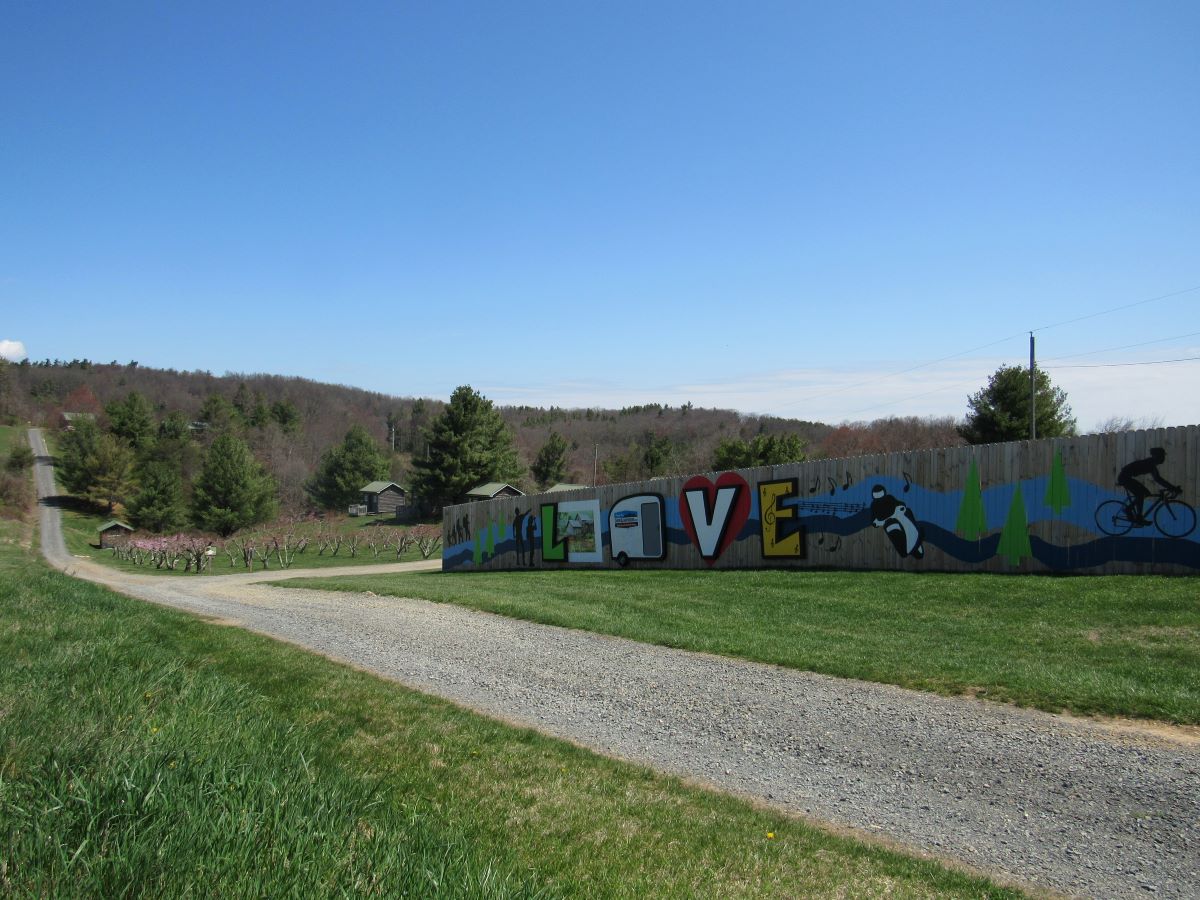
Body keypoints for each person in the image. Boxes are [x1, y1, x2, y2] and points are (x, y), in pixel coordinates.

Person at [1117, 448, 1180, 525]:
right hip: (1124, 478)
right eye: (1162, 456)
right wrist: (1173, 488)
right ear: (1156, 456)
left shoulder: (1151, 463)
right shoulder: (1150, 464)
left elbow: (1158, 479)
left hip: (1125, 477)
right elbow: (1159, 479)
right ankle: (1131, 512)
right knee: (1141, 494)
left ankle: (1136, 515)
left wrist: (1172, 487)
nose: (1163, 458)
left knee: (1145, 493)